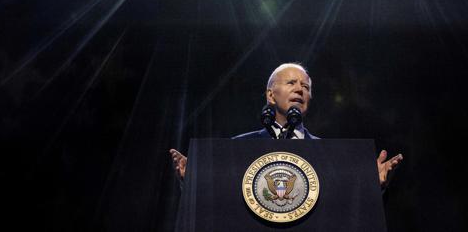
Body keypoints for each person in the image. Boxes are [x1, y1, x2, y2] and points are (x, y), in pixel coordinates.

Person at [169, 63, 402, 189]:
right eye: (291, 83)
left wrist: (374, 187)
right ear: (271, 95)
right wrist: (191, 184)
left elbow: (346, 206)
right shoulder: (238, 148)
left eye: (306, 87)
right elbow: (219, 201)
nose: (300, 89)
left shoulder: (329, 154)